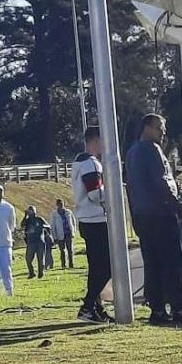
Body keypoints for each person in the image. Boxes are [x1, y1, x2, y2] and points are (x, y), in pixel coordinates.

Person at [126, 113, 182, 324]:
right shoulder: (152, 150)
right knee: (173, 261)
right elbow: (162, 183)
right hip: (160, 214)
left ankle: (157, 309)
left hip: (142, 215)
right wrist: (179, 208)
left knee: (153, 263)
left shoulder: (132, 153)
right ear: (147, 127)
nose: (163, 133)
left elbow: (130, 188)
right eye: (160, 128)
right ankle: (178, 307)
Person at [72, 125, 114, 323]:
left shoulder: (79, 162)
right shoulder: (91, 164)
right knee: (106, 266)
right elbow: (95, 194)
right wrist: (112, 192)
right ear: (96, 141)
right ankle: (88, 305)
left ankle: (95, 307)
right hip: (96, 219)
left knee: (96, 266)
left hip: (87, 219)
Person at [21, 205, 48, 279]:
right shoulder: (27, 220)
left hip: (40, 241)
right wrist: (25, 216)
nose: (30, 212)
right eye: (29, 211)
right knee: (28, 259)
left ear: (35, 211)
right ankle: (31, 273)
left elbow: (47, 226)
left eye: (32, 210)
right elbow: (22, 225)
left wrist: (42, 228)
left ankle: (41, 273)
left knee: (40, 259)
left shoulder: (39, 219)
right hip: (30, 242)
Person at [50, 198, 76, 269]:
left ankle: (71, 264)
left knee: (70, 250)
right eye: (59, 204)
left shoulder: (68, 212)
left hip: (68, 233)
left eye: (62, 204)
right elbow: (52, 225)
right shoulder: (54, 214)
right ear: (57, 205)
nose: (61, 205)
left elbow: (73, 222)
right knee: (62, 250)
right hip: (60, 234)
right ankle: (63, 264)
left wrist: (73, 231)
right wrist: (54, 237)